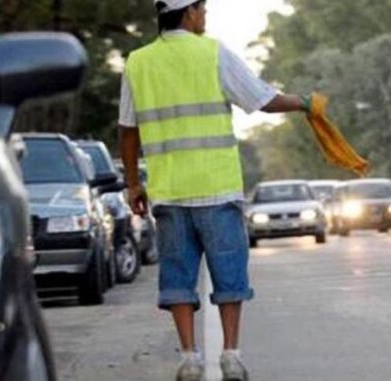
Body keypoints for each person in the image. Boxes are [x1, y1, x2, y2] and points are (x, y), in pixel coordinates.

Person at [118, 1, 310, 380]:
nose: (205, 16)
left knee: (177, 278)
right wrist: (306, 103)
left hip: (170, 193)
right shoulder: (213, 52)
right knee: (230, 275)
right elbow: (263, 99)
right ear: (188, 13)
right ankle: (230, 356)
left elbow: (128, 130)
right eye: (202, 9)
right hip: (216, 189)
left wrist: (133, 183)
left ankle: (188, 358)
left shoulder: (136, 62)